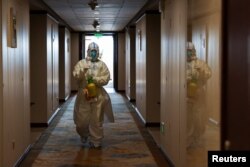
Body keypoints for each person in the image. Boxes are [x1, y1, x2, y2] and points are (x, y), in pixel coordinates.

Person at [73, 42, 114, 148]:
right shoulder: (81, 63)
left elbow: (106, 78)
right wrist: (83, 71)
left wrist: (96, 80)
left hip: (98, 95)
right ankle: (84, 134)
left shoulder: (102, 65)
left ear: (98, 52)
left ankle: (96, 140)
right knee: (82, 120)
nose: (94, 53)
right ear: (88, 51)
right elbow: (76, 76)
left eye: (95, 51)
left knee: (96, 119)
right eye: (92, 51)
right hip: (84, 95)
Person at [186, 42, 212, 148]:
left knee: (199, 118)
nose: (188, 53)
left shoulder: (200, 63)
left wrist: (201, 72)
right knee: (188, 118)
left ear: (194, 51)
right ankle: (188, 140)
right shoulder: (179, 63)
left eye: (190, 51)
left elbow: (208, 74)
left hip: (199, 93)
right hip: (186, 95)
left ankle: (197, 137)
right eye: (186, 51)